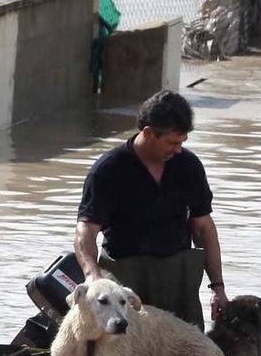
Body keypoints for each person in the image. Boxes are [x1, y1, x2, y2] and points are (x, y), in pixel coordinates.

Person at [75, 89, 228, 330]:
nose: (178, 149)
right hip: (126, 277)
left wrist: (217, 287)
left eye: (182, 142)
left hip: (177, 280)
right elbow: (86, 231)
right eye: (172, 142)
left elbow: (204, 229)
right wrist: (93, 278)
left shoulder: (189, 166)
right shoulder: (108, 170)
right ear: (148, 133)